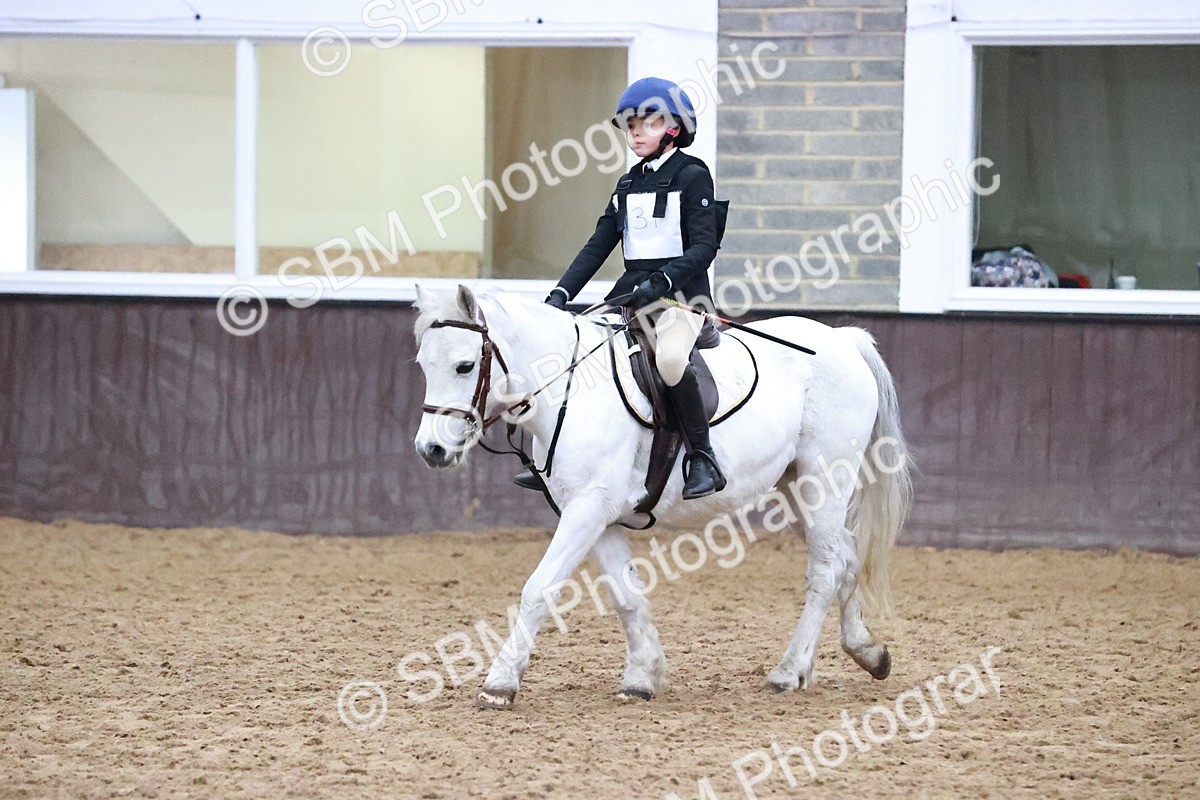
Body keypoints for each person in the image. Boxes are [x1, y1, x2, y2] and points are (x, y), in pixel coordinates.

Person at [514, 76, 727, 500]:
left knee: (669, 360)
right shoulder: (629, 183)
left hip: (682, 297)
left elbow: (705, 246)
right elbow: (599, 244)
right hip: (631, 295)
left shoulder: (693, 175)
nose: (635, 134)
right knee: (576, 354)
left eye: (646, 124)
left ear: (673, 128)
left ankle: (703, 457)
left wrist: (664, 280)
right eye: (630, 127)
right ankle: (554, 458)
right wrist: (561, 294)